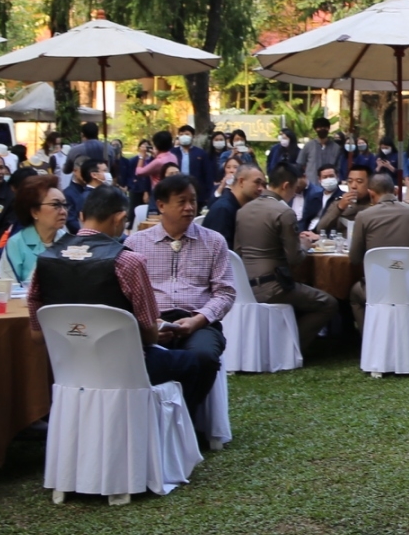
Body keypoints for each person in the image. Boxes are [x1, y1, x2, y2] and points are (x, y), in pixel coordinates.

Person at [25, 183, 214, 419]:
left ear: (82, 216)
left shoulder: (44, 261)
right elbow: (149, 334)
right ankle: (167, 431)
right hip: (124, 368)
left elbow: (37, 335)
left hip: (69, 369)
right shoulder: (128, 262)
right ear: (121, 218)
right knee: (190, 363)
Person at [127, 173, 235, 390]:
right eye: (181, 201)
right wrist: (150, 325)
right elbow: (126, 293)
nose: (189, 207)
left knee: (203, 356)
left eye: (193, 200)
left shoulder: (214, 241)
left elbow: (225, 292)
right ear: (161, 205)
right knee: (131, 358)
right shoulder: (136, 243)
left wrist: (199, 319)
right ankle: (156, 414)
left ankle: (187, 417)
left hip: (197, 322)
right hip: (152, 322)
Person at [236, 163, 340, 353]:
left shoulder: (243, 211)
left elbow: (238, 250)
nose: (294, 194)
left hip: (244, 286)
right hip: (273, 286)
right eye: (294, 189)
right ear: (286, 186)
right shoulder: (284, 212)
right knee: (328, 303)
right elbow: (295, 258)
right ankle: (288, 349)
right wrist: (305, 245)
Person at [344, 172, 409, 331]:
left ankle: (370, 338)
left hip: (379, 288)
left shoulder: (364, 216)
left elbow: (354, 258)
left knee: (354, 294)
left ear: (371, 193)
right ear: (395, 191)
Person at [2, 175, 70, 282]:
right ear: (34, 212)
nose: (63, 211)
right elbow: (9, 287)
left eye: (65, 205)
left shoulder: (69, 241)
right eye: (55, 205)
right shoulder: (16, 243)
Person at [205, 163, 263, 238]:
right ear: (241, 181)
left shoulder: (236, 206)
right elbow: (219, 248)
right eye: (257, 182)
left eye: (263, 184)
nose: (261, 188)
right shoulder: (223, 209)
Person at [313, 164, 371, 235]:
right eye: (350, 181)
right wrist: (339, 208)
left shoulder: (375, 204)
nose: (353, 186)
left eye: (359, 181)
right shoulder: (341, 201)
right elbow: (320, 228)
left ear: (370, 184)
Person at [301, 160, 344, 231]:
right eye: (325, 177)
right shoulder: (313, 197)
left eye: (331, 176)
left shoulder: (342, 198)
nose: (328, 179)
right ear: (319, 180)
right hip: (308, 232)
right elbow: (305, 219)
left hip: (326, 235)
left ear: (337, 177)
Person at [64, 156, 104, 227]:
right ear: (75, 171)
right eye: (83, 171)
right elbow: (71, 221)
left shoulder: (96, 189)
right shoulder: (68, 193)